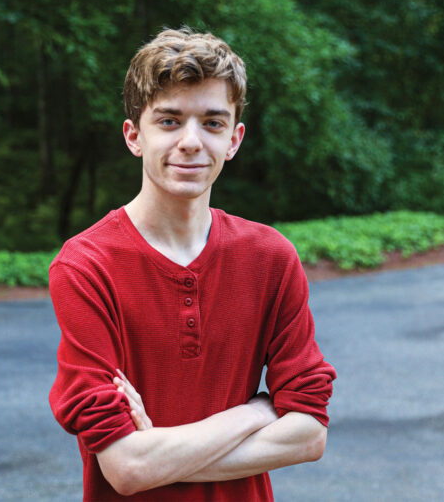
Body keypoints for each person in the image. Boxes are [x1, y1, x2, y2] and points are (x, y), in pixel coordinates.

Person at [47, 27, 337, 501]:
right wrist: (256, 412)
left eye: (213, 122)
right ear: (133, 135)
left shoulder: (270, 258)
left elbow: (309, 434)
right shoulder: (86, 266)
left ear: (235, 139)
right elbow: (126, 467)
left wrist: (159, 453)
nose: (191, 141)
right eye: (168, 121)